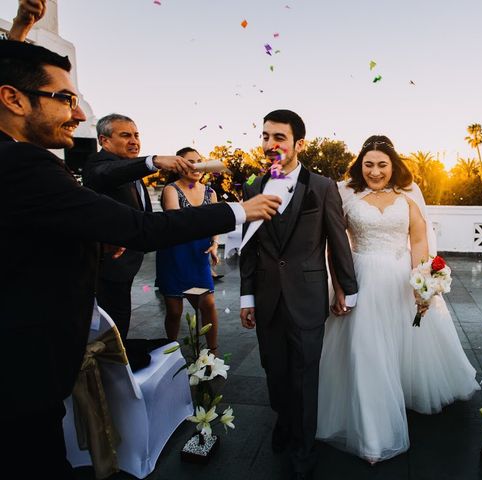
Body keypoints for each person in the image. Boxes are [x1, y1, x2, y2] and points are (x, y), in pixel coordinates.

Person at [0, 24, 280, 478]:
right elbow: (143, 227)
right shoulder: (21, 163)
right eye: (65, 99)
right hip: (22, 367)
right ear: (13, 98)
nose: (75, 114)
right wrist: (239, 211)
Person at [316, 135, 479, 463]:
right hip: (360, 275)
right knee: (366, 349)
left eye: (382, 165)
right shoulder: (346, 194)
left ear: (393, 166)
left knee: (400, 341)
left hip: (398, 278)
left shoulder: (407, 197)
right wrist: (339, 286)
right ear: (360, 166)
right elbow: (335, 244)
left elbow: (418, 242)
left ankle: (398, 393)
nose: (375, 171)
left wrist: (422, 283)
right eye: (369, 165)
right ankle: (373, 433)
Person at [240, 109, 358, 480]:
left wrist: (347, 289)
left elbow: (338, 242)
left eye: (279, 138)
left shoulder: (322, 187)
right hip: (267, 295)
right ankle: (285, 421)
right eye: (265, 136)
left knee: (305, 377)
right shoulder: (253, 187)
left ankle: (304, 449)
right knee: (274, 371)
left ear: (297, 144)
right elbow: (248, 248)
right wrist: (247, 297)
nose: (271, 144)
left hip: (307, 298)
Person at [82, 114, 195, 338]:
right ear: (104, 141)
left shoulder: (132, 170)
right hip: (107, 267)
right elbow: (110, 174)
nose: (134, 141)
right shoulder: (100, 165)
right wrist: (152, 161)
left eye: (136, 135)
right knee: (110, 328)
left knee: (120, 322)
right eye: (125, 135)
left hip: (127, 265)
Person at [156, 147, 221, 353]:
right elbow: (178, 223)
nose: (196, 165)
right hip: (174, 255)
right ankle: (170, 349)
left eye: (199, 161)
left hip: (198, 255)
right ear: (179, 165)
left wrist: (214, 243)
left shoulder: (210, 192)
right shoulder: (171, 190)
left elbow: (215, 225)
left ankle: (212, 352)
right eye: (190, 161)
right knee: (175, 311)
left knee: (207, 304)